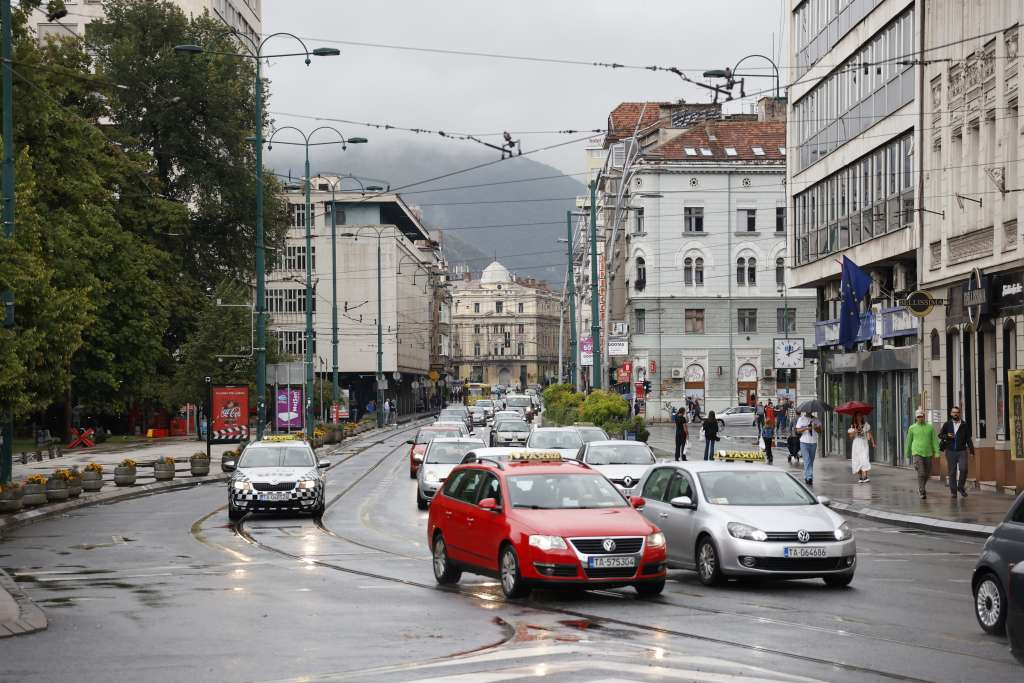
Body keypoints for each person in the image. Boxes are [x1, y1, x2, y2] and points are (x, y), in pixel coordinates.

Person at [939, 406, 974, 498]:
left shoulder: (964, 425)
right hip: (950, 451)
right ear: (951, 414)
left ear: (959, 414)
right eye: (953, 412)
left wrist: (972, 451)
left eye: (957, 412)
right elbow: (940, 435)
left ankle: (961, 487)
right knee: (952, 472)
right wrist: (947, 435)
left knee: (964, 469)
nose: (955, 414)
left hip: (962, 450)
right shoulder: (947, 424)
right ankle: (953, 492)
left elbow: (968, 439)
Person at [905, 408, 941, 499]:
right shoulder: (912, 428)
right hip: (917, 452)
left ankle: (922, 486)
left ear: (924, 416)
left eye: (921, 416)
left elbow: (934, 440)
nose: (920, 418)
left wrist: (937, 451)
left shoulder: (930, 427)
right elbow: (908, 441)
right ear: (916, 418)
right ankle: (922, 491)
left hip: (928, 453)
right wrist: (907, 454)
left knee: (927, 473)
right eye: (918, 417)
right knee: (921, 472)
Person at [794, 411, 821, 485]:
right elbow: (798, 430)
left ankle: (807, 476)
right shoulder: (801, 419)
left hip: (813, 442)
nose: (809, 411)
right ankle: (809, 477)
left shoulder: (815, 419)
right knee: (807, 460)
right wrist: (806, 428)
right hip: (804, 442)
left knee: (810, 461)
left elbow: (820, 431)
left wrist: (815, 427)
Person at [848, 413, 875, 483]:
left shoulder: (866, 425)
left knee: (865, 459)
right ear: (855, 417)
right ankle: (860, 477)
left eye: (860, 416)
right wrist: (855, 431)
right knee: (857, 460)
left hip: (864, 444)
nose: (859, 417)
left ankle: (865, 476)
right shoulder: (853, 426)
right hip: (856, 444)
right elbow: (851, 436)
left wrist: (873, 443)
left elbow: (870, 434)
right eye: (858, 416)